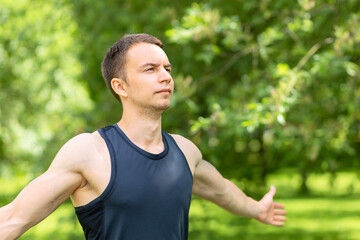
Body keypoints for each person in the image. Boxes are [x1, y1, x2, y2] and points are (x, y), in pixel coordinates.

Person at [0, 33, 286, 240]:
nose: (165, 77)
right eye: (150, 69)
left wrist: (256, 209)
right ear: (120, 87)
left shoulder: (184, 152)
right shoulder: (90, 152)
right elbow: (14, 219)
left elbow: (221, 190)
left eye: (167, 69)